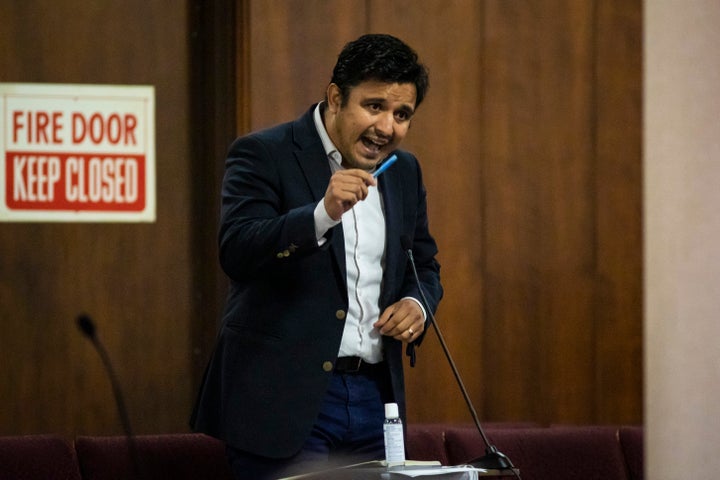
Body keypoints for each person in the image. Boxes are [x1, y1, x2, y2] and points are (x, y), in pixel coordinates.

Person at [190, 33, 443, 480]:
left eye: (402, 114)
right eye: (374, 106)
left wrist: (416, 304)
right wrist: (321, 215)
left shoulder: (404, 170)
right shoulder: (264, 153)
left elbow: (422, 263)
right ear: (335, 97)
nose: (387, 127)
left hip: (374, 398)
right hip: (285, 401)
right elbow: (237, 250)